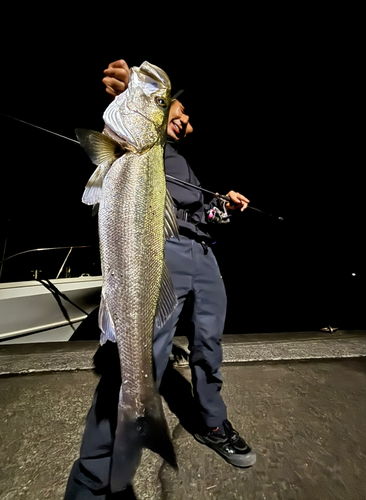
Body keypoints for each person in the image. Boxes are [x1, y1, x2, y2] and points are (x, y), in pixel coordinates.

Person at [64, 59, 255, 499]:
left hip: (203, 256)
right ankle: (93, 478)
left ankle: (212, 421)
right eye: (175, 111)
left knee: (209, 344)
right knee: (138, 357)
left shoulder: (186, 164)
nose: (184, 120)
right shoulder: (139, 145)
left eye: (186, 118)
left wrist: (222, 206)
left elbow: (197, 214)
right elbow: (120, 125)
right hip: (160, 254)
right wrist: (124, 89)